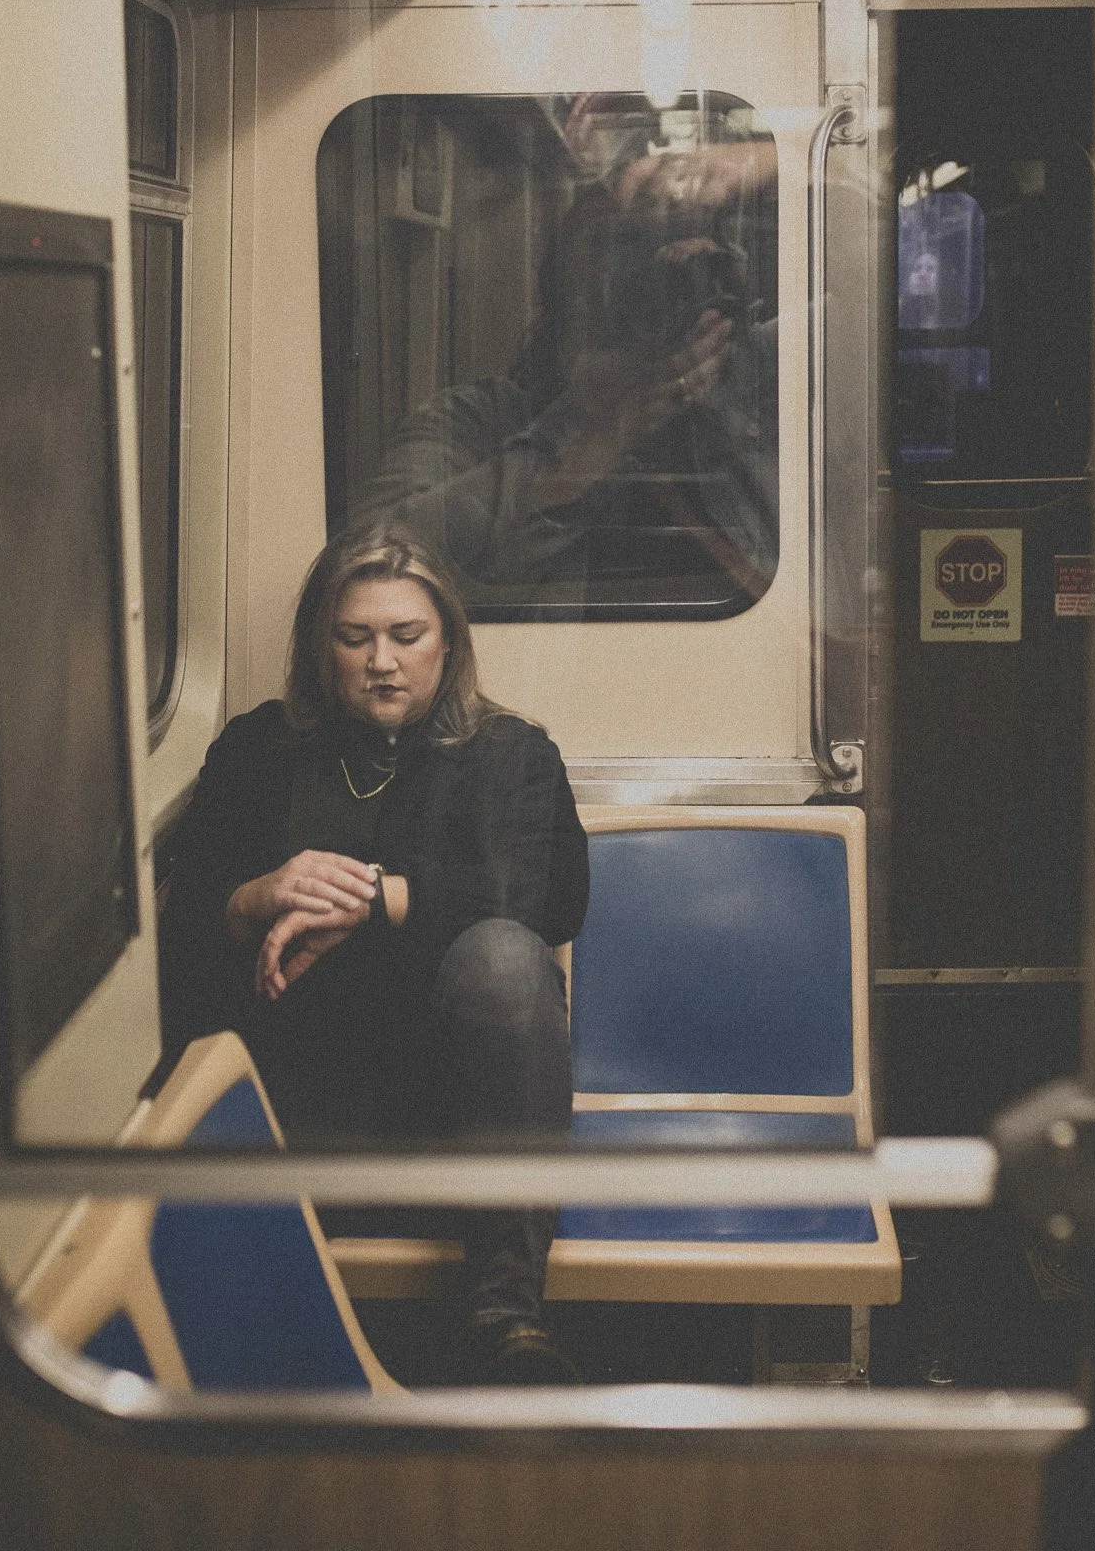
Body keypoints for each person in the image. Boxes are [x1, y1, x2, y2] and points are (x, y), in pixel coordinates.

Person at [158, 523, 588, 1384]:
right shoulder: (257, 750)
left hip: (450, 1099)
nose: (381, 662)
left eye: (406, 635)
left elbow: (546, 900)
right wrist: (256, 897)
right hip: (297, 1077)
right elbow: (180, 925)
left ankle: (506, 1318)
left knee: (505, 961)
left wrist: (374, 897)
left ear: (447, 644)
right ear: (320, 649)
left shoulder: (507, 754)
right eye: (354, 638)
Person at [359, 120, 779, 613]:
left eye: (666, 271)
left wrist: (764, 159)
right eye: (610, 270)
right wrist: (587, 435)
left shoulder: (769, 389)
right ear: (557, 296)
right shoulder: (476, 421)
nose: (640, 298)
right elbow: (369, 569)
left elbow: (852, 306)